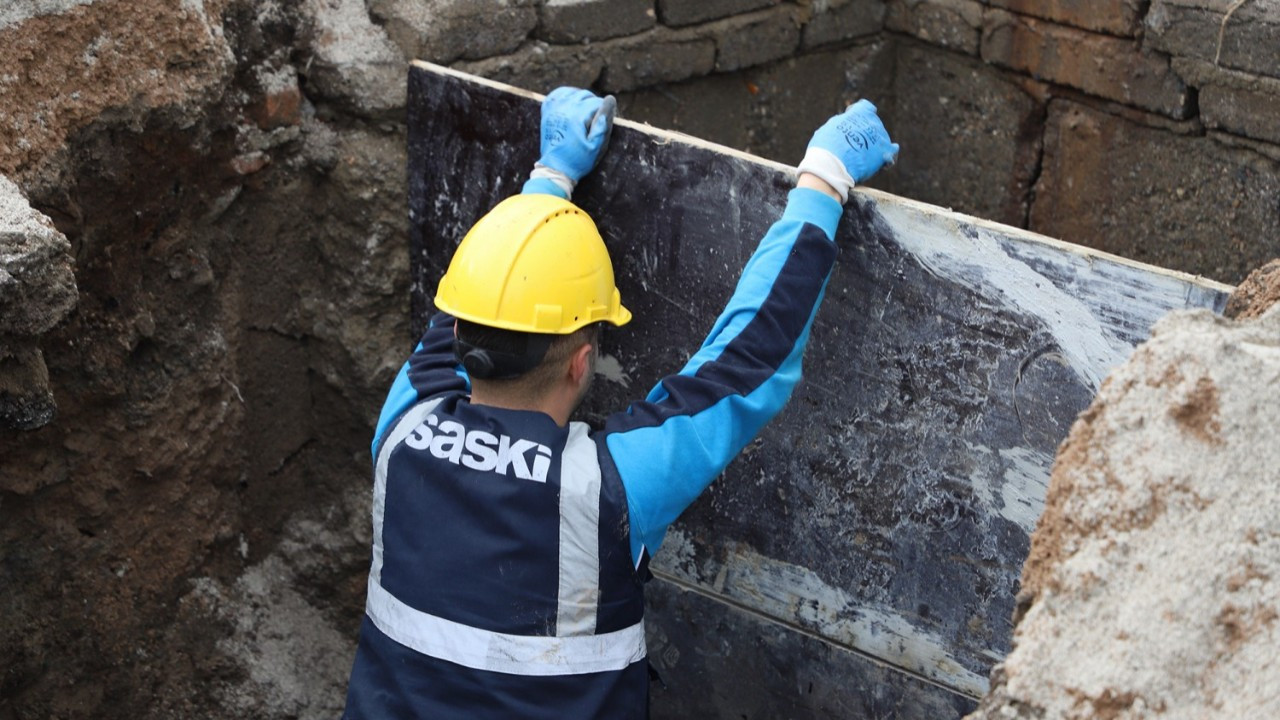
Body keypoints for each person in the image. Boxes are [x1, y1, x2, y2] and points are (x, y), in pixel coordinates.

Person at [342, 86, 899, 719]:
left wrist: (549, 178)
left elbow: (467, 309)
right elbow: (746, 360)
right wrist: (824, 178)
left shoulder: (402, 422)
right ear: (583, 364)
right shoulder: (607, 489)